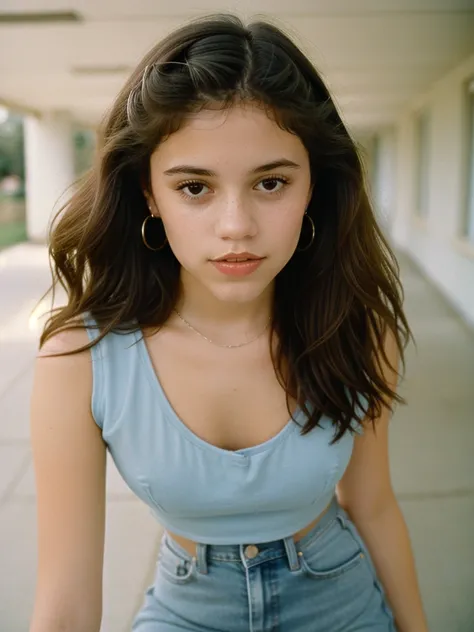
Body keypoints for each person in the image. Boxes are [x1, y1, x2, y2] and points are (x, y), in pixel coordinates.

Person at [29, 13, 428, 632]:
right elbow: (65, 604)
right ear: (148, 194)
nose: (236, 225)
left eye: (271, 182)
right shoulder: (82, 355)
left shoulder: (354, 327)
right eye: (195, 187)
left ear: (314, 188)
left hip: (342, 604)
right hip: (186, 611)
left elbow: (373, 505)